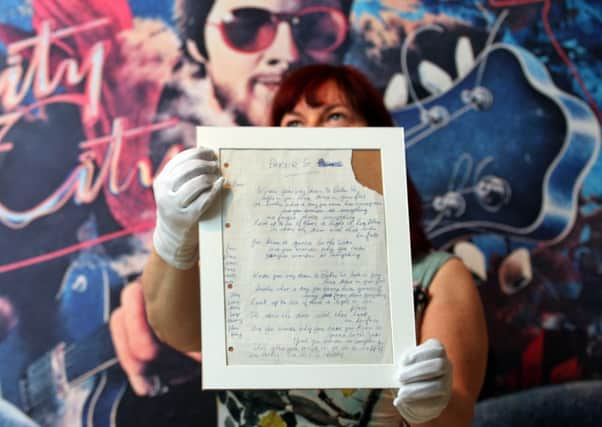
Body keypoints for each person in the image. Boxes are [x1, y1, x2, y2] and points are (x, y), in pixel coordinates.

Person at [138, 63, 488, 426]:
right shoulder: (242, 260)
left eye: (335, 116)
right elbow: (181, 332)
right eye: (293, 123)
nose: (310, 134)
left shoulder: (439, 277)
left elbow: (457, 413)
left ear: (378, 137)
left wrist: (431, 408)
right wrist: (173, 236)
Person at [152, 0, 352, 157]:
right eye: (247, 27)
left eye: (315, 27)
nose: (288, 54)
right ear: (198, 46)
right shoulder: (150, 154)